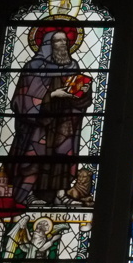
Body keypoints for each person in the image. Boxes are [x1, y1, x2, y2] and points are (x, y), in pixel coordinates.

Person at [9, 28, 92, 205]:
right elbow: (21, 100)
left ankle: (59, 193)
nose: (64, 44)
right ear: (48, 45)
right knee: (36, 156)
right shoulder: (34, 67)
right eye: (58, 41)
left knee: (62, 156)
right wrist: (52, 96)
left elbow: (78, 99)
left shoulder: (73, 66)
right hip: (38, 124)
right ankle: (30, 194)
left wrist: (83, 93)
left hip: (64, 121)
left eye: (65, 41)